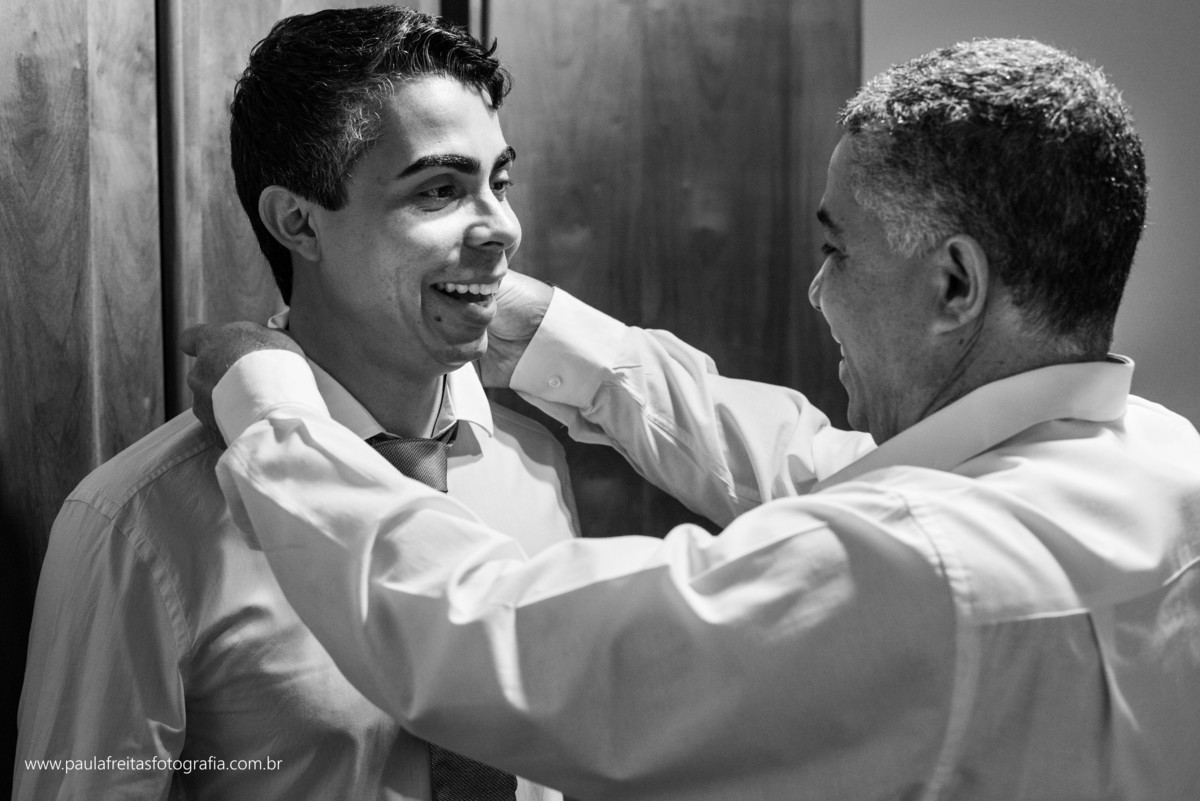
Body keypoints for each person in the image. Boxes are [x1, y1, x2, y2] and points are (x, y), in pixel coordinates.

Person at [184, 38, 1200, 800]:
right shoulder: (1159, 463)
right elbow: (815, 467)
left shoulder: (919, 568)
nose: (814, 294)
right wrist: (560, 338)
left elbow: (477, 633)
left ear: (955, 284)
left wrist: (273, 412)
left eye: (836, 251)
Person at [14, 7, 578, 800]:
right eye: (441, 189)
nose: (502, 227)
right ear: (298, 221)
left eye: (501, 180)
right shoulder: (137, 527)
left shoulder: (537, 469)